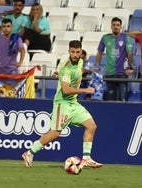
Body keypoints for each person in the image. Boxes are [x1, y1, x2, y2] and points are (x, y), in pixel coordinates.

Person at [22, 40, 103, 169]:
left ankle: (86, 158)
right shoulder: (66, 69)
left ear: (81, 52)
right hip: (62, 103)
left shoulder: (80, 62)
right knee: (55, 133)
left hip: (73, 103)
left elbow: (78, 72)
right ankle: (29, 153)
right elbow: (66, 90)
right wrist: (85, 90)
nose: (75, 55)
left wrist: (61, 73)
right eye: (73, 52)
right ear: (69, 52)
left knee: (91, 126)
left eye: (78, 52)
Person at [96, 17, 135, 101]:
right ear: (111, 26)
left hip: (122, 73)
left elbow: (129, 53)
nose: (116, 27)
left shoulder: (126, 37)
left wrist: (131, 67)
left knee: (123, 99)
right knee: (110, 100)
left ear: (121, 27)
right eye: (114, 25)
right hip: (110, 72)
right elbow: (99, 52)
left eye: (118, 25)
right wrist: (97, 66)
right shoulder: (105, 38)